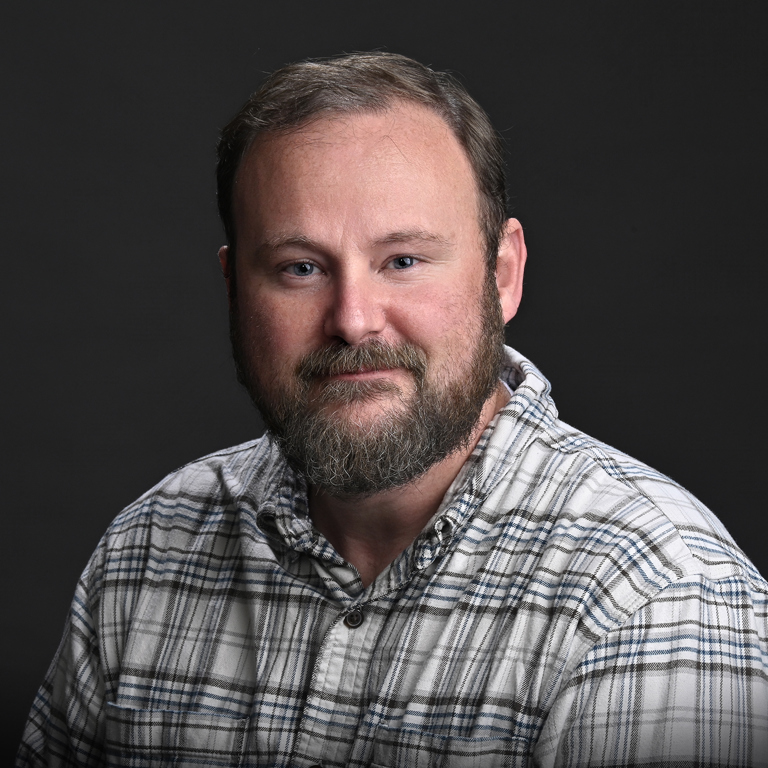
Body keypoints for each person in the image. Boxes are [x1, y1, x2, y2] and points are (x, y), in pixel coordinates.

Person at [17, 52, 768, 768]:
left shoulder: (657, 596)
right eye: (300, 268)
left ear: (502, 276)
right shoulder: (143, 556)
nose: (352, 319)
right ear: (234, 292)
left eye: (402, 261)